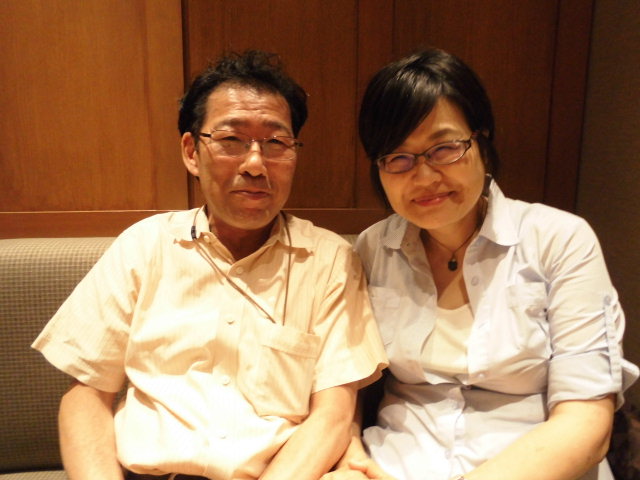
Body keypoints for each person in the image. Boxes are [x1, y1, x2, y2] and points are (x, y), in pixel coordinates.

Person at [33, 50, 387, 480]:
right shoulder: (145, 246)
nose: (255, 164)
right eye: (231, 140)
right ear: (191, 152)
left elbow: (333, 415)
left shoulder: (330, 260)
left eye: (276, 143)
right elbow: (87, 393)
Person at [323, 48, 639, 480]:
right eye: (398, 157)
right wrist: (350, 458)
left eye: (445, 148)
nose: (424, 177)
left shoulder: (559, 240)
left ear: (482, 142)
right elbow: (347, 381)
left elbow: (586, 422)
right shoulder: (372, 249)